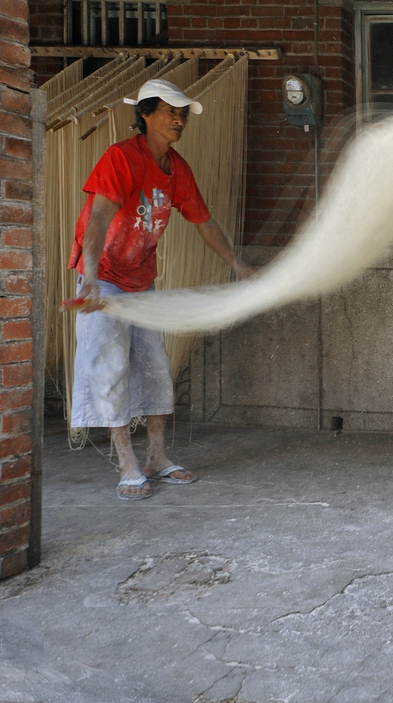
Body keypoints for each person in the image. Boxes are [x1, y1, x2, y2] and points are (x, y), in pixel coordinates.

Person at [68, 79, 254, 500]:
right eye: (171, 111)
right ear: (146, 113)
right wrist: (91, 277)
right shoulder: (121, 158)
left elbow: (203, 221)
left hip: (142, 280)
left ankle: (155, 457)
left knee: (154, 367)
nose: (179, 120)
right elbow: (98, 218)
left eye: (183, 114)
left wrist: (238, 264)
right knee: (111, 369)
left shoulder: (177, 169)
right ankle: (127, 463)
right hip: (105, 280)